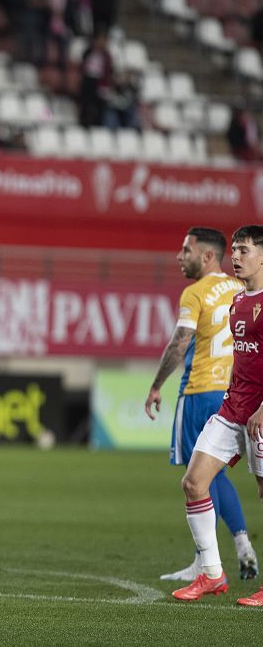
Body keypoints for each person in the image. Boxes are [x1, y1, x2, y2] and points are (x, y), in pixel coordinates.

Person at [145, 228, 257, 582]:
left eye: (185, 250)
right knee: (211, 475)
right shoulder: (240, 289)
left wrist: (155, 385)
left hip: (201, 390)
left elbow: (180, 343)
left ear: (208, 256)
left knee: (204, 477)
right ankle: (239, 547)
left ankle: (207, 561)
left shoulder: (195, 292)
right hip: (234, 391)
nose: (179, 257)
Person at [171, 225, 263, 607]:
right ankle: (211, 572)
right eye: (235, 249)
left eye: (243, 250)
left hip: (260, 414)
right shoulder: (239, 301)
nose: (236, 257)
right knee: (194, 482)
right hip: (231, 409)